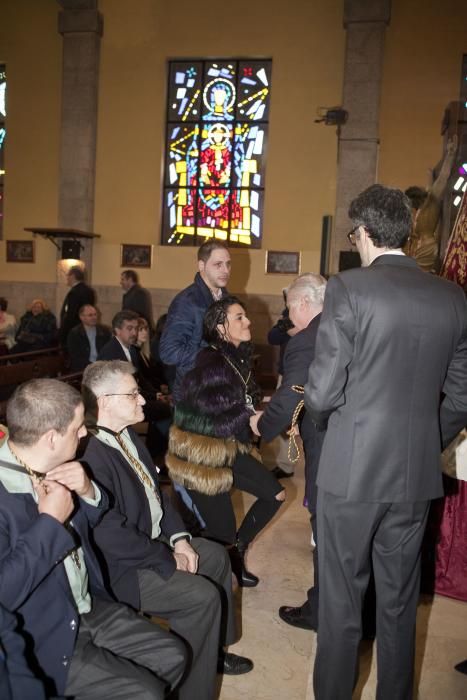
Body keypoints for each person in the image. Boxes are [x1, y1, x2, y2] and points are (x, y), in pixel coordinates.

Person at [305, 184, 467, 700]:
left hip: (350, 473)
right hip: (414, 475)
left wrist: (326, 420)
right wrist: (424, 439)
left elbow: (324, 391)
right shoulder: (452, 294)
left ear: (364, 232)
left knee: (341, 604)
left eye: (353, 232)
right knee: (398, 605)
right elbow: (462, 394)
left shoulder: (349, 288)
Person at [0, 379, 187, 699]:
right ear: (50, 438)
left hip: (85, 603)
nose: (86, 433)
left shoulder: (52, 465)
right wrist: (48, 523)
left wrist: (89, 492)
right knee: (146, 692)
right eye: (77, 428)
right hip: (41, 633)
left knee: (174, 656)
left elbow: (89, 525)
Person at [80, 360, 253, 700]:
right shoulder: (92, 454)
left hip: (154, 541)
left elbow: (158, 492)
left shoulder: (127, 434)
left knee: (216, 557)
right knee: (200, 597)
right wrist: (167, 557)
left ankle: (212, 652)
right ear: (104, 402)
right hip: (124, 569)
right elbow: (110, 536)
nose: (143, 400)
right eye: (133, 395)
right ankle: (192, 689)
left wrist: (180, 539)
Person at [166, 296, 285, 587]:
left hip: (228, 446)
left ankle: (237, 552)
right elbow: (218, 414)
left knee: (275, 495)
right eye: (239, 317)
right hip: (202, 453)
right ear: (221, 327)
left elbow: (248, 398)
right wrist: (252, 418)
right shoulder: (211, 360)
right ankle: (213, 575)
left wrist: (266, 411)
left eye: (245, 316)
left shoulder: (237, 355)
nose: (248, 322)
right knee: (222, 530)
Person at [250, 273, 326, 629]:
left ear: (305, 304)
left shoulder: (306, 340)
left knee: (326, 527)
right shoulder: (343, 326)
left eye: (290, 305)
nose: (288, 312)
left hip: (328, 447)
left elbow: (294, 391)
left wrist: (262, 426)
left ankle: (321, 609)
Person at [159, 239, 231, 401]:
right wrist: (212, 355)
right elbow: (168, 352)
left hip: (219, 387)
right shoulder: (187, 302)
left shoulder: (227, 299)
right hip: (193, 393)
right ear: (201, 266)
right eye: (218, 265)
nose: (225, 270)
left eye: (228, 264)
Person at [98, 310, 172, 458]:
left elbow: (140, 379)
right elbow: (117, 387)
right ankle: (154, 457)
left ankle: (154, 456)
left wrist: (155, 395)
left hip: (132, 397)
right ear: (117, 330)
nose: (134, 333)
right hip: (118, 402)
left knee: (164, 409)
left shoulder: (131, 349)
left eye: (136, 328)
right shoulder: (111, 351)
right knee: (165, 411)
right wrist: (152, 398)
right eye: (129, 328)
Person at [405, 135, 457, 273]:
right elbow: (430, 184)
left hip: (428, 247)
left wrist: (450, 155)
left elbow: (443, 178)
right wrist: (429, 175)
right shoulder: (418, 209)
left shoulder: (431, 200)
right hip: (416, 248)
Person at [264, 298, 299, 478]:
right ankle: (286, 465)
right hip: (286, 373)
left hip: (309, 374)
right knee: (286, 420)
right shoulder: (288, 314)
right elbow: (272, 337)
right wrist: (286, 325)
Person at [66, 304, 111, 371]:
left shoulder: (104, 331)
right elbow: (76, 357)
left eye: (95, 314)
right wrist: (92, 367)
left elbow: (108, 351)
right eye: (90, 315)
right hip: (83, 368)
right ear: (81, 317)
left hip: (102, 366)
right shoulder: (74, 333)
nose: (94, 317)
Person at [59, 266, 96, 344]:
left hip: (73, 331)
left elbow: (71, 314)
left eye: (67, 275)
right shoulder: (89, 291)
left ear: (72, 276)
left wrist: (63, 332)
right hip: (86, 329)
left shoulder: (74, 292)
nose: (67, 278)